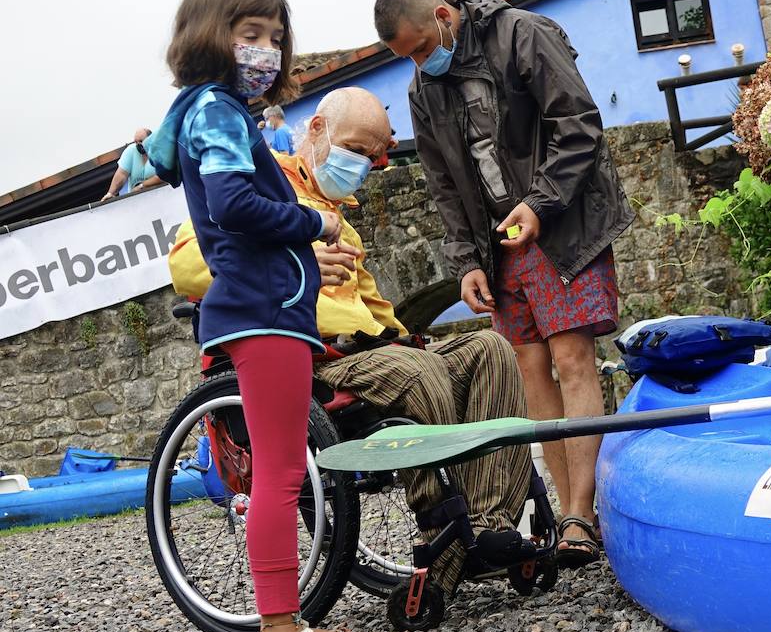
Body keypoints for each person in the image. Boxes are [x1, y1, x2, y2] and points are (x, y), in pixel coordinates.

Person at [168, 86, 537, 592]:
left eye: (372, 156)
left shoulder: (341, 222)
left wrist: (409, 339)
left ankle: (490, 527)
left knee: (490, 350)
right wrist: (288, 259)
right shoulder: (252, 180)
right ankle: (444, 539)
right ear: (317, 130)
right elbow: (187, 267)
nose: (363, 165)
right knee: (416, 372)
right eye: (356, 150)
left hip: (368, 352)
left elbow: (376, 310)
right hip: (309, 355)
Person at [147, 0, 375, 632]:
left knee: (278, 470)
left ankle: (284, 629)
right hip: (262, 310)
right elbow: (236, 206)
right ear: (209, 36)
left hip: (262, 307)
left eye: (275, 37)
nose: (266, 51)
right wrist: (315, 221)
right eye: (249, 34)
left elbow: (196, 184)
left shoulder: (210, 112)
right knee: (279, 475)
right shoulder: (216, 111)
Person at [373, 0, 634, 569]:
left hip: (562, 223)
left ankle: (578, 514)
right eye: (406, 58)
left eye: (420, 49)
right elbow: (443, 187)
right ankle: (571, 513)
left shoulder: (524, 33)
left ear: (443, 16)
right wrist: (465, 260)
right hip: (500, 246)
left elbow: (580, 127)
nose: (418, 65)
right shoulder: (424, 91)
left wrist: (540, 205)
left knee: (572, 360)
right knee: (530, 366)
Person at [101, 127, 165, 200]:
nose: (138, 144)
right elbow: (121, 174)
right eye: (136, 142)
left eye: (141, 141)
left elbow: (164, 175)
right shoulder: (131, 151)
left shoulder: (160, 151)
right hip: (136, 203)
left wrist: (142, 186)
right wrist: (111, 193)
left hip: (160, 198)